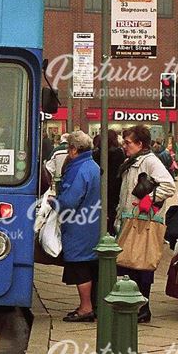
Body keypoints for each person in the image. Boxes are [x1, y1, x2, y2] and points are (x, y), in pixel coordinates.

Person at [116, 124, 176, 323]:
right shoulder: (132, 161)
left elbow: (168, 185)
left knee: (141, 264)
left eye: (128, 142)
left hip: (143, 221)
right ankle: (137, 306)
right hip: (130, 220)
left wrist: (148, 199)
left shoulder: (150, 161)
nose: (125, 146)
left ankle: (143, 308)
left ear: (139, 144)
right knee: (131, 265)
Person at [54, 131, 102, 322]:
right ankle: (91, 305)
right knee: (90, 264)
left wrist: (54, 202)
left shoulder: (78, 169)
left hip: (78, 224)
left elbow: (70, 200)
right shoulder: (93, 165)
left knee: (79, 265)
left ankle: (85, 308)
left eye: (68, 148)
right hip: (92, 221)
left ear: (74, 149)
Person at [93, 130, 126, 235]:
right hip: (115, 189)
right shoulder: (119, 153)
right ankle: (110, 233)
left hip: (99, 188)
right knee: (112, 214)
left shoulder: (96, 153)